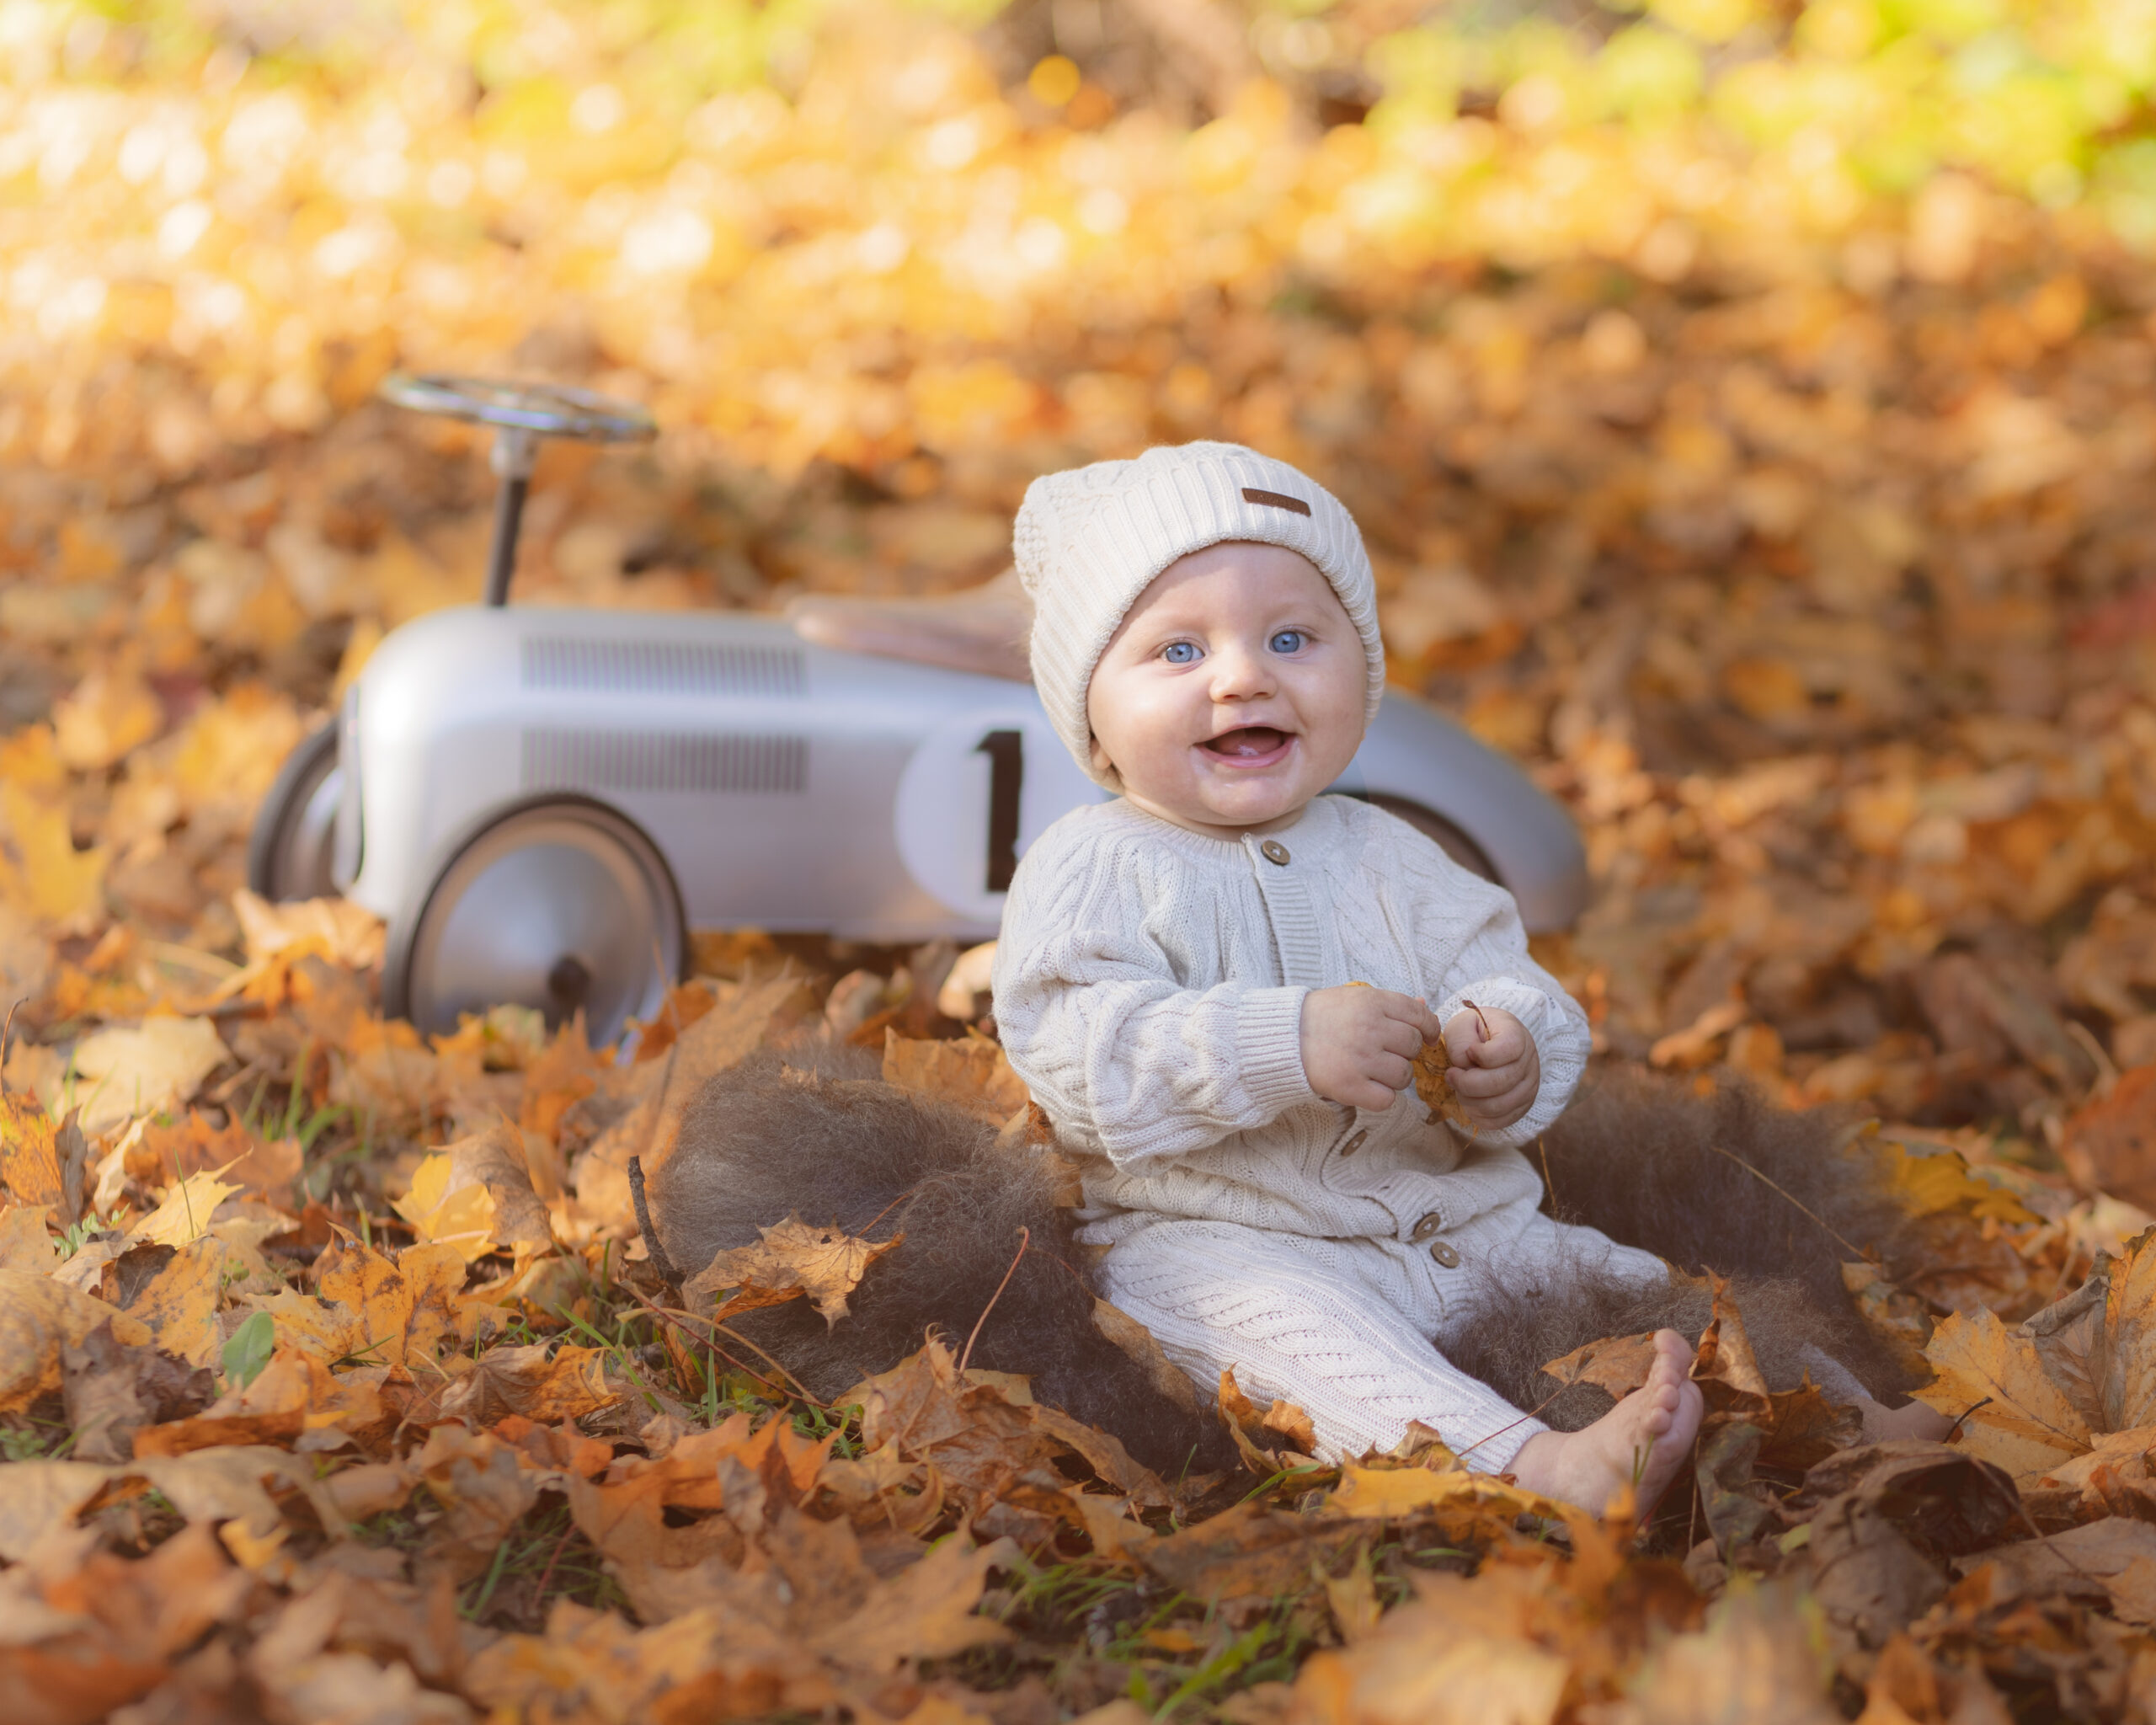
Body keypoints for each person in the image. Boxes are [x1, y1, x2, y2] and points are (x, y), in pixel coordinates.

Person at [990, 441, 1933, 1515]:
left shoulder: (1394, 854)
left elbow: (1510, 976)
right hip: (1220, 1228)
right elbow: (1078, 1053)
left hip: (1463, 1221)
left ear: (1364, 669)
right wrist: (1282, 1042)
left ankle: (1848, 1414)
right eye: (1176, 652)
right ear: (1090, 710)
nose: (1243, 674)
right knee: (1267, 1327)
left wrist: (1510, 1048)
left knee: (1640, 1284)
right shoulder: (1094, 865)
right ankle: (1537, 1465)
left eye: (1292, 637)